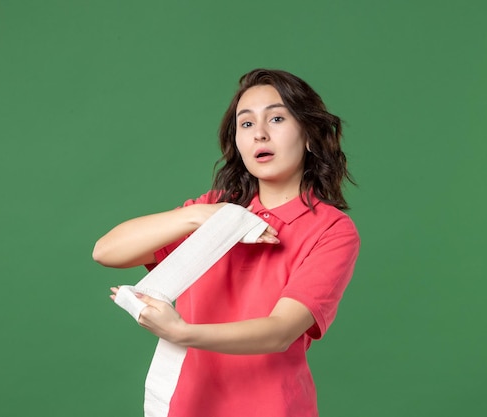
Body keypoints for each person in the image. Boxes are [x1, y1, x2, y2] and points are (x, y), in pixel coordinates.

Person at [93, 68, 360, 417]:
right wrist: (200, 216)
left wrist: (182, 332)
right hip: (187, 405)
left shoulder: (332, 230)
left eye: (277, 118)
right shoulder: (215, 210)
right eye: (246, 124)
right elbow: (106, 251)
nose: (260, 134)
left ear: (310, 135)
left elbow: (279, 332)